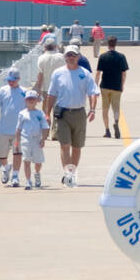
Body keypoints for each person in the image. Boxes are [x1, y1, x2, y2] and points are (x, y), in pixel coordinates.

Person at [44, 45, 99, 186]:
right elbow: (51, 94)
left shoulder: (85, 73)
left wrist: (92, 109)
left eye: (73, 55)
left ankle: (72, 173)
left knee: (77, 146)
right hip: (62, 113)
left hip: (79, 113)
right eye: (68, 55)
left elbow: (93, 92)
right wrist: (47, 114)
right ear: (64, 57)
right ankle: (67, 174)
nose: (70, 57)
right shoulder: (57, 73)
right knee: (65, 145)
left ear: (78, 57)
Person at [0, 66, 26, 186]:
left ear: (18, 79)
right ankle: (6, 167)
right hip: (4, 128)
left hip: (19, 129)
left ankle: (15, 175)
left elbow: (31, 107)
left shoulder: (24, 91)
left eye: (13, 80)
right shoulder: (2, 90)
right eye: (9, 80)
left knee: (17, 153)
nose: (10, 82)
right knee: (0, 154)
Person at [14, 89, 49, 190]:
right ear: (25, 101)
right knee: (26, 161)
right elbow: (18, 129)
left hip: (37, 140)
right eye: (29, 99)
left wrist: (43, 139)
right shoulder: (22, 113)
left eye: (33, 99)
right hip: (26, 140)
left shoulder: (40, 113)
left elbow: (45, 127)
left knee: (38, 162)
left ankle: (37, 174)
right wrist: (17, 142)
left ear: (36, 101)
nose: (30, 101)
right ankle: (28, 181)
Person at [95, 36, 129, 139]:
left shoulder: (103, 56)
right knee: (116, 108)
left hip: (105, 86)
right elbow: (124, 74)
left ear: (107, 44)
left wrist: (95, 86)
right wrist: (122, 85)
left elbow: (98, 73)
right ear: (116, 43)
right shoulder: (121, 57)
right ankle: (116, 122)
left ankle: (107, 130)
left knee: (105, 109)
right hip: (116, 86)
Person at [36, 33, 61, 97]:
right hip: (59, 87)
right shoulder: (61, 57)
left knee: (46, 106)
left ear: (45, 47)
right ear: (55, 46)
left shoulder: (41, 58)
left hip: (46, 88)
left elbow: (40, 76)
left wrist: (38, 89)